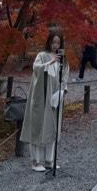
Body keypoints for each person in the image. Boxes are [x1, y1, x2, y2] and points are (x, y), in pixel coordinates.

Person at [20, 30, 70, 171]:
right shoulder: (42, 56)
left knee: (52, 126)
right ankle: (35, 161)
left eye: (58, 42)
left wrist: (62, 90)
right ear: (49, 42)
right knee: (37, 126)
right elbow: (36, 69)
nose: (55, 45)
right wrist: (50, 62)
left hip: (55, 98)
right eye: (53, 42)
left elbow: (65, 75)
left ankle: (49, 160)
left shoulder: (63, 59)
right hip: (41, 97)